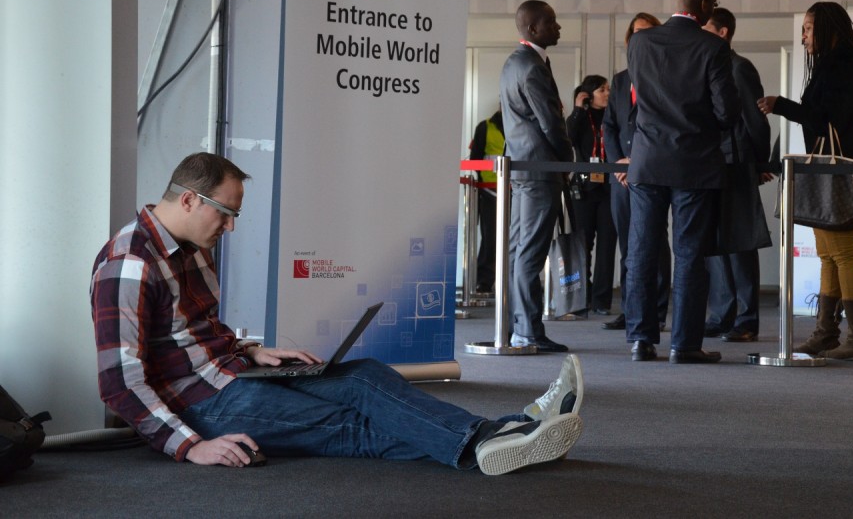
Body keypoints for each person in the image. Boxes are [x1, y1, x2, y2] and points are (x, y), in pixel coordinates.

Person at [90, 152, 584, 474]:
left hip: (233, 374)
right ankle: (499, 441)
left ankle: (504, 437)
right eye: (228, 214)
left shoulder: (192, 243)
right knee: (347, 421)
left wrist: (251, 350)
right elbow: (121, 383)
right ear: (191, 199)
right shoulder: (129, 266)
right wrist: (188, 446)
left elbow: (191, 332)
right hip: (202, 406)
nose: (231, 228)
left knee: (362, 376)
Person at [624, 0, 740, 363]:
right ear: (706, 5)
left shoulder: (639, 43)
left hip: (647, 161)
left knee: (641, 251)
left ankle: (641, 340)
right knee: (689, 254)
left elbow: (641, 100)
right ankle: (684, 345)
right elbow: (726, 113)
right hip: (693, 164)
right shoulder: (712, 47)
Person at [758, 1, 853, 361]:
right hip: (836, 165)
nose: (804, 36)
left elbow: (826, 116)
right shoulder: (838, 63)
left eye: (808, 28)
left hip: (842, 167)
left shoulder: (840, 64)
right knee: (829, 254)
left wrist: (781, 105)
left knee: (842, 252)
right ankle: (827, 332)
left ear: (827, 28)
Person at [499, 0, 575, 352]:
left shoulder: (517, 62)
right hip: (539, 169)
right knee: (530, 252)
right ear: (532, 29)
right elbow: (550, 122)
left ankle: (521, 326)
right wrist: (567, 159)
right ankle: (527, 330)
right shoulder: (530, 67)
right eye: (551, 22)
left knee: (519, 251)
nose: (558, 27)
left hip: (524, 166)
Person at [701, 8, 772, 343]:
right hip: (708, 163)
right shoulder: (705, 63)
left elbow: (756, 120)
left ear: (724, 32)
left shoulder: (739, 67)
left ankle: (746, 318)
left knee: (741, 241)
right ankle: (720, 313)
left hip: (738, 160)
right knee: (713, 240)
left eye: (707, 29)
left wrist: (760, 163)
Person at [601, 13, 672, 333]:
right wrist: (618, 163)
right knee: (628, 246)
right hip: (621, 177)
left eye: (647, 33)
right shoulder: (619, 80)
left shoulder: (666, 77)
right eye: (636, 34)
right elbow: (609, 126)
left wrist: (638, 162)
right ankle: (631, 309)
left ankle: (655, 311)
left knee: (655, 244)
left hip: (651, 171)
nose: (641, 39)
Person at [566, 75, 617, 315]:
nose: (607, 93)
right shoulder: (581, 118)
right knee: (582, 245)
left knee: (607, 245)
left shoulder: (613, 115)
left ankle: (601, 300)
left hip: (609, 187)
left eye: (608, 89)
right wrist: (578, 109)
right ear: (589, 94)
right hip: (584, 188)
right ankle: (580, 298)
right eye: (601, 90)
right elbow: (568, 138)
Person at [468, 108, 505, 293]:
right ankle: (484, 280)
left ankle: (514, 281)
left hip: (519, 190)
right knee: (490, 238)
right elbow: (475, 159)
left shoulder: (523, 125)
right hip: (490, 191)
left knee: (519, 239)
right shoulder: (485, 127)